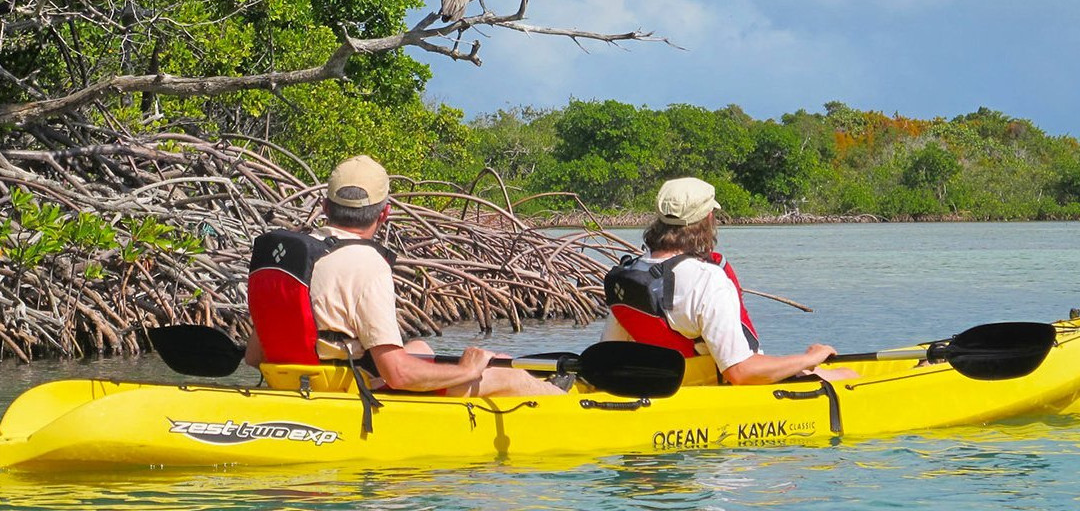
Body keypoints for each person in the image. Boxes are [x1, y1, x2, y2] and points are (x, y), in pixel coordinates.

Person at [246, 154, 564, 397]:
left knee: (423, 349)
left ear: (325, 206)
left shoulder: (293, 256)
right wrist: (468, 370)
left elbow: (253, 356)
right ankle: (569, 404)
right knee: (508, 372)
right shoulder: (366, 263)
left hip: (295, 380)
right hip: (345, 391)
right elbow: (397, 375)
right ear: (385, 213)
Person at [602, 177, 854, 385]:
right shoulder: (707, 279)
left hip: (664, 386)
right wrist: (810, 358)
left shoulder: (629, 275)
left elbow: (609, 353)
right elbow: (741, 372)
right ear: (708, 219)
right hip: (716, 391)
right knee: (848, 377)